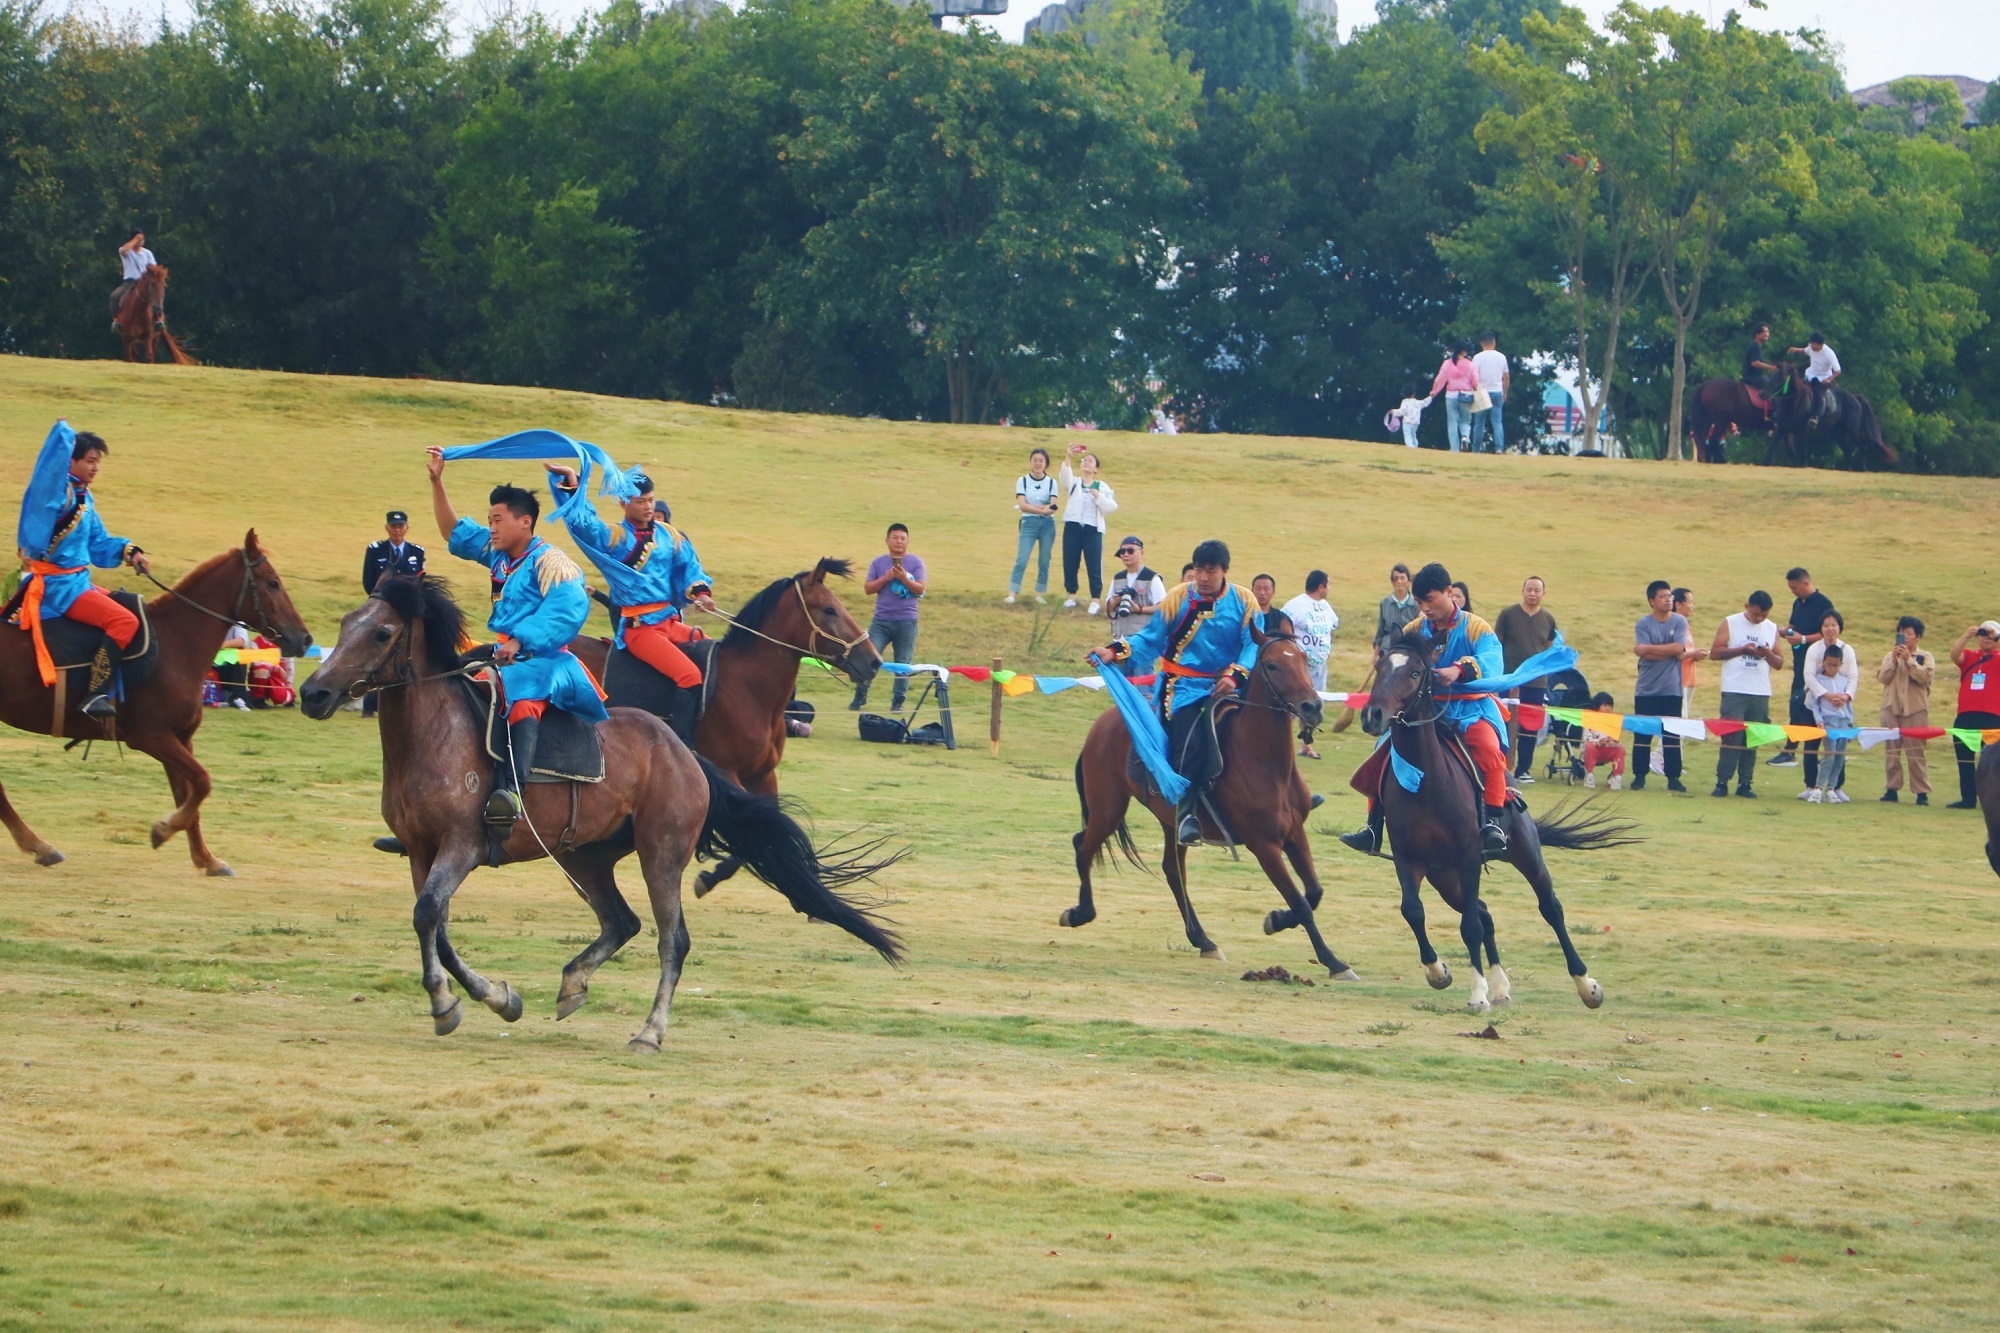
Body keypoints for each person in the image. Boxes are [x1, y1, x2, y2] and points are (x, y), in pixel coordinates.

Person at [426, 447, 606, 832]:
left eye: (497, 519)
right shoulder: (499, 555)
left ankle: (512, 793)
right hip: (504, 652)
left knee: (521, 700)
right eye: (489, 520)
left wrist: (521, 641)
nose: (490, 527)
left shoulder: (552, 562)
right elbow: (452, 532)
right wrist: (437, 481)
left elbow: (568, 607)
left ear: (524, 522)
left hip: (544, 660)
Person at [1090, 538, 1261, 845]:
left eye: (1211, 570)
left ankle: (1286, 797)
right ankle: (1187, 814)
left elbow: (1253, 645)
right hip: (1182, 689)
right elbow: (1151, 639)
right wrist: (1114, 651)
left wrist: (1235, 675)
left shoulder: (1245, 601)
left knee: (1266, 729)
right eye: (1199, 569)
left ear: (1225, 571)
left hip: (1229, 687)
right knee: (1191, 742)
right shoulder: (1177, 599)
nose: (1204, 577)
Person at [1342, 561, 1512, 856]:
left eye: (1429, 600)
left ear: (1448, 592)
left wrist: (1460, 669)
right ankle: (1372, 827)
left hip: (1469, 709)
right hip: (1423, 712)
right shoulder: (1414, 629)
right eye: (1419, 602)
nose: (1425, 608)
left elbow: (1494, 661)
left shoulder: (1476, 627)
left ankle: (1493, 822)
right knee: (1384, 750)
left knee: (1487, 746)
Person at [544, 463, 718, 744]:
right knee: (689, 675)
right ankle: (685, 745)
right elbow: (586, 527)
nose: (648, 506)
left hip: (671, 622)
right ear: (624, 503)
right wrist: (574, 484)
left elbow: (689, 566)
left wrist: (701, 594)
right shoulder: (615, 537)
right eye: (641, 502)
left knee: (715, 655)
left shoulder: (669, 535)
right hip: (640, 629)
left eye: (650, 500)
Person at [13, 423, 151, 719]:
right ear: (70, 461)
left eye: (98, 461)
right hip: (58, 587)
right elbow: (43, 488)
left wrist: (130, 552)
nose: (96, 467)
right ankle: (94, 694)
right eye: (90, 460)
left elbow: (99, 543)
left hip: (79, 581)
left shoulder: (85, 499)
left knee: (128, 603)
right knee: (124, 622)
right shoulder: (59, 496)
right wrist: (60, 442)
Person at [1709, 590, 1783, 798]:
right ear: (1747, 606)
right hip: (1735, 689)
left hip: (1759, 691)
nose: (1759, 619)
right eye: (1756, 614)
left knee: (1753, 738)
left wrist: (1766, 652)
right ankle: (1722, 781)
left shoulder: (1771, 628)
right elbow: (1715, 653)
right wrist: (1742, 650)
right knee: (1732, 736)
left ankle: (1745, 783)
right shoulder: (1730, 623)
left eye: (1763, 615)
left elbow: (1779, 663)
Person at [850, 523, 927, 714]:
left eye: (903, 538)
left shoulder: (916, 563)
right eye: (895, 537)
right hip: (881, 621)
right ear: (887, 540)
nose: (899, 542)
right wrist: (885, 578)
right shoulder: (878, 563)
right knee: (869, 657)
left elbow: (920, 589)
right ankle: (860, 694)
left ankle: (898, 702)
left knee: (903, 662)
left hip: (907, 620)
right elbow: (868, 589)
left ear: (908, 541)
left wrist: (904, 579)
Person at [357, 509, 427, 716]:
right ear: (387, 528)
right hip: (382, 609)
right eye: (393, 526)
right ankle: (369, 703)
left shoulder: (417, 552)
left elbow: (419, 581)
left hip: (406, 611)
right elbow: (368, 580)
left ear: (407, 528)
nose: (397, 530)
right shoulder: (376, 550)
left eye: (401, 526)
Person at [1769, 567, 1834, 776]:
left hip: (1818, 665)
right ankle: (1790, 749)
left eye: (1795, 588)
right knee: (1796, 703)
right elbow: (1793, 626)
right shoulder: (1798, 603)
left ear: (1806, 583)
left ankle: (1817, 750)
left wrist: (1803, 639)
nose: (1793, 592)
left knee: (1814, 707)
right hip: (1799, 663)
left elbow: (1827, 632)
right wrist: (1779, 631)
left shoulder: (1823, 604)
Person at [1495, 576, 1556, 782]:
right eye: (1529, 589)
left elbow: (1548, 648)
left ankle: (1524, 769)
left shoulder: (1548, 619)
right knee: (1506, 722)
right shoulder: (1508, 615)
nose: (1532, 594)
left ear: (1543, 594)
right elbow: (1498, 643)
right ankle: (1502, 766)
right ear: (1523, 590)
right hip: (1511, 679)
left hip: (1536, 683)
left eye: (1537, 590)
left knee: (1530, 726)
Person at [1630, 580, 1689, 793]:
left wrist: (1650, 649)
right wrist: (1669, 651)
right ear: (1651, 601)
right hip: (1647, 689)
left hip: (1672, 688)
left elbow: (1679, 648)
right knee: (1642, 734)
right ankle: (1639, 776)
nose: (1668, 600)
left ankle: (1673, 777)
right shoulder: (1643, 624)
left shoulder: (1680, 622)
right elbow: (1646, 653)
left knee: (1672, 735)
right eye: (1663, 596)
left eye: (1670, 596)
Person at [1281, 570, 1339, 758]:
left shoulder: (1325, 607)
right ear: (1321, 586)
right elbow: (1284, 625)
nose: (1329, 589)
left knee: (1315, 705)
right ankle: (1283, 745)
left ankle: (1306, 744)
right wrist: (1294, 651)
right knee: (1292, 705)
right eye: (1328, 585)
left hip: (1320, 665)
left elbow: (1332, 627)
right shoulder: (1296, 605)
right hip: (1300, 666)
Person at [1877, 616, 1934, 806]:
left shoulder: (1925, 656)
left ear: (1918, 637)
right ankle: (1892, 789)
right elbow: (1882, 677)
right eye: (1902, 633)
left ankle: (1921, 792)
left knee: (1916, 751)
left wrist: (1909, 660)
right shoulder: (1890, 655)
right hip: (1891, 707)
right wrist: (1894, 660)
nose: (1905, 637)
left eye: (1909, 633)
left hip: (1915, 709)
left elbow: (1925, 677)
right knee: (1891, 751)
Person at [1801, 612, 1857, 802]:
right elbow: (1809, 676)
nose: (1830, 629)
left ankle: (1835, 787)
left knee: (1838, 754)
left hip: (1841, 709)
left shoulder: (1847, 649)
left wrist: (1845, 697)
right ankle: (1812, 786)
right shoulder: (1814, 649)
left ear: (1839, 627)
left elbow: (1852, 677)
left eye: (1833, 625)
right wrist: (1826, 695)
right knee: (1812, 746)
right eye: (1826, 625)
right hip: (1817, 704)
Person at [1946, 621, 2000, 809]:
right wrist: (1966, 636)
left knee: (1992, 763)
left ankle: (1993, 801)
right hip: (1965, 716)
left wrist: (1997, 636)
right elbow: (1954, 655)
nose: (1986, 637)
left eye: (1991, 634)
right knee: (1964, 760)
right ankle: (1968, 799)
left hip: (1992, 717)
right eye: (1983, 633)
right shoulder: (1970, 656)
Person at [1058, 444, 1117, 614]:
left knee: (1093, 563)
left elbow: (1111, 507)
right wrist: (1068, 457)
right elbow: (1064, 478)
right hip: (1073, 526)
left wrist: (1097, 496)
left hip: (1093, 529)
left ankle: (1095, 600)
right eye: (1084, 460)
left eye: (1090, 461)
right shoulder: (1075, 483)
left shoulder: (1101, 486)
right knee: (1070, 561)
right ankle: (1071, 596)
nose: (1086, 463)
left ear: (1096, 468)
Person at [1006, 448, 1060, 605]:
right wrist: (1041, 509)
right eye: (1035, 460)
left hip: (1047, 525)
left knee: (1044, 559)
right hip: (1028, 523)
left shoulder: (1051, 482)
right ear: (1031, 462)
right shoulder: (1022, 481)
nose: (1037, 463)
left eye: (1041, 460)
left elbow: (1053, 506)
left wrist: (1037, 508)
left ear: (1046, 464)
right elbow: (1022, 505)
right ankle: (1012, 592)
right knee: (1021, 558)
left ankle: (1040, 593)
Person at [1106, 536, 1166, 674]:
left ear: (1141, 552)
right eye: (1122, 552)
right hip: (1119, 641)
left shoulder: (1152, 578)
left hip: (1142, 642)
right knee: (1124, 687)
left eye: (1130, 551)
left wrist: (1139, 609)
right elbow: (1108, 607)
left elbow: (1163, 607)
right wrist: (1115, 601)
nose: (1126, 554)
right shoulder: (1117, 578)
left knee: (1142, 687)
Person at [1786, 331, 1842, 428]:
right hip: (1810, 374)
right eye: (1811, 343)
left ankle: (1815, 417)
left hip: (1822, 378)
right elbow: (1804, 350)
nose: (1811, 346)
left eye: (1813, 344)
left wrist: (1829, 379)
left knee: (1819, 394)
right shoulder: (1811, 348)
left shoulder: (1829, 354)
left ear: (1820, 344)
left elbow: (1837, 370)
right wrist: (1795, 349)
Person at [1428, 343, 1478, 452]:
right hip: (1466, 394)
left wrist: (1434, 391)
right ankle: (1465, 437)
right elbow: (1475, 380)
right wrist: (1476, 388)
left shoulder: (1447, 363)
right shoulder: (1470, 364)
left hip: (1451, 395)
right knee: (1465, 420)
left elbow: (1440, 379)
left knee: (1452, 422)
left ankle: (1454, 448)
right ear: (1464, 351)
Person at [1470, 332, 1511, 453]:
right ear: (1494, 342)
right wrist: (1505, 392)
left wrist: (1474, 391)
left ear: (1482, 343)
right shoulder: (1502, 357)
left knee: (1479, 423)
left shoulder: (1477, 358)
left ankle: (1476, 449)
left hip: (1482, 391)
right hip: (1497, 391)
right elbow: (1506, 376)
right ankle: (1499, 447)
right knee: (1497, 421)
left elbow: (1473, 376)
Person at [109, 231, 157, 330]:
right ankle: (116, 321)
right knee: (114, 297)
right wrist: (135, 240)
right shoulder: (126, 251)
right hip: (129, 283)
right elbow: (124, 250)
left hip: (144, 283)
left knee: (157, 296)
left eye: (142, 239)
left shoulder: (147, 253)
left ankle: (159, 320)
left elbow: (153, 267)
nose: (141, 241)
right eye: (139, 239)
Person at [1672, 588, 1706, 720]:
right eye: (1690, 602)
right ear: (1678, 605)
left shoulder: (1686, 625)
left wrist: (1695, 655)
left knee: (1683, 721)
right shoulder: (1674, 625)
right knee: (1677, 725)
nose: (1692, 606)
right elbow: (1676, 653)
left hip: (1689, 679)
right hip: (1678, 681)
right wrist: (1693, 654)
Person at [1581, 692, 1624, 792]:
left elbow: (1618, 741)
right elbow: (1586, 739)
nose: (1608, 708)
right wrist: (1600, 741)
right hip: (1594, 750)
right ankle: (1589, 774)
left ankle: (1616, 776)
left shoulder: (1613, 722)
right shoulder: (1589, 720)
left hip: (1608, 751)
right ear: (1597, 706)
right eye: (1605, 705)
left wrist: (1614, 741)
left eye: (1610, 706)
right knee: (1590, 746)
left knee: (1621, 749)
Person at [1373, 563, 1415, 664]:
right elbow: (1380, 632)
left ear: (1408, 581)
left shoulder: (1416, 604)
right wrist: (1375, 655)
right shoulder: (1385, 603)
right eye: (1395, 578)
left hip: (1408, 652)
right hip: (1387, 651)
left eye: (1402, 578)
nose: (1399, 581)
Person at [1741, 322, 1779, 399]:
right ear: (1757, 334)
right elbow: (1755, 363)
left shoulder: (1756, 346)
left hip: (1754, 376)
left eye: (1767, 332)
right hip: (1753, 377)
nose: (1767, 334)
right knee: (1773, 387)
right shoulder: (1755, 346)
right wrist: (1771, 367)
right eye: (1764, 332)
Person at [1393, 383, 1434, 449]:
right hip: (1415, 423)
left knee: (1408, 436)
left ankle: (1411, 447)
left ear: (1404, 394)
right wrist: (1431, 397)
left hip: (1407, 422)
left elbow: (1402, 411)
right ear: (1413, 394)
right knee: (1413, 435)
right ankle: (1415, 446)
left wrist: (1393, 412)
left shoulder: (1405, 402)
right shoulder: (1417, 402)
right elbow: (1425, 402)